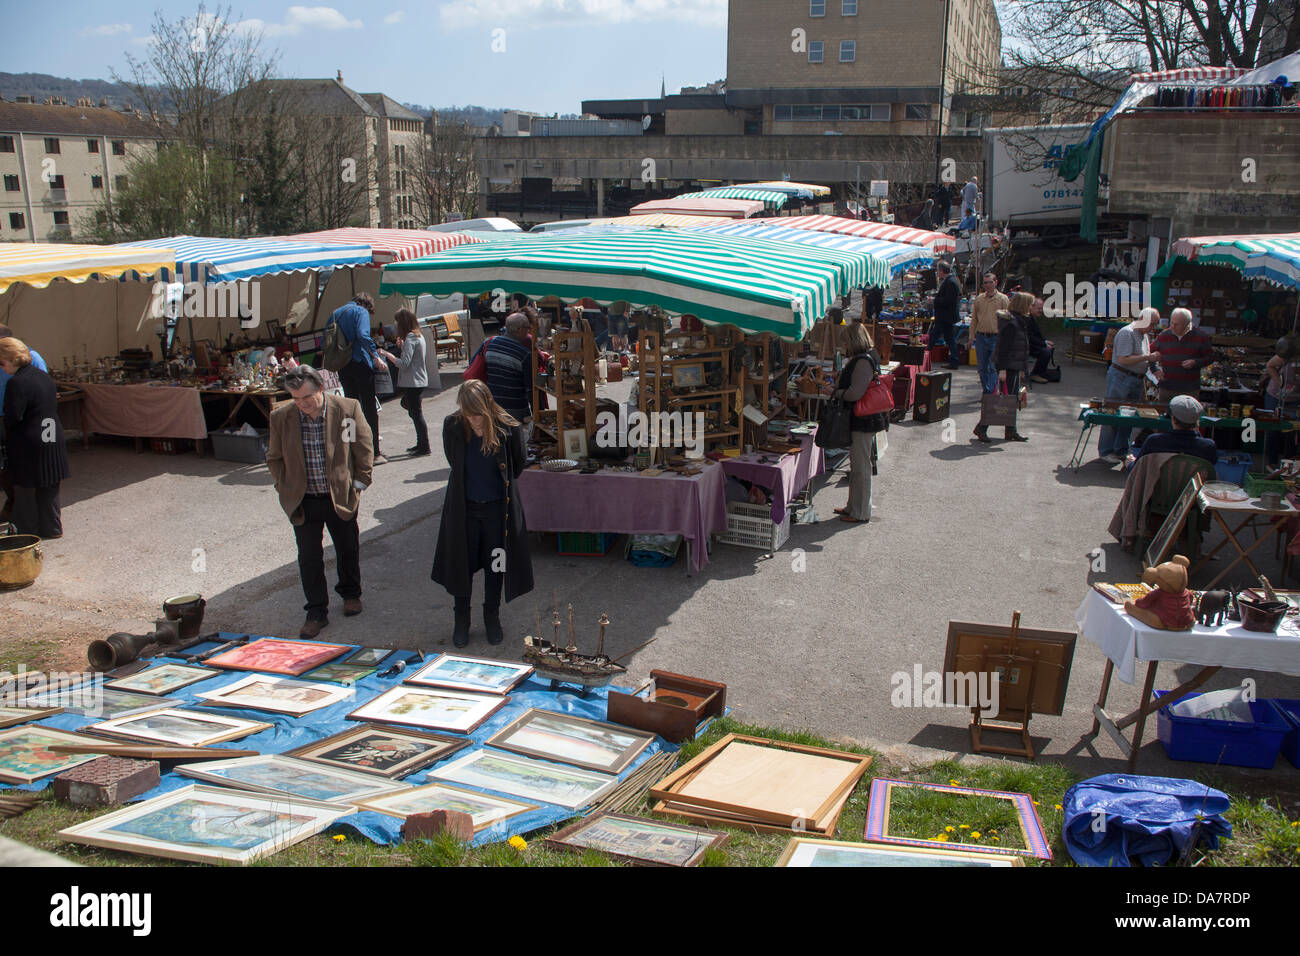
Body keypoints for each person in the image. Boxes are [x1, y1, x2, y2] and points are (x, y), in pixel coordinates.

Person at [266, 364, 374, 639]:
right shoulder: (282, 417)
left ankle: (351, 594)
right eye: (295, 398)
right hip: (303, 500)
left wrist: (360, 483)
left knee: (347, 547)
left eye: (307, 397)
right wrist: (283, 488)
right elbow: (274, 458)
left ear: (320, 389)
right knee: (309, 557)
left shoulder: (346, 410)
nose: (302, 404)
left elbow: (362, 447)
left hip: (339, 496)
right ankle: (316, 611)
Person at [431, 379, 534, 647]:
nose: (474, 419)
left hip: (497, 512)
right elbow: (453, 462)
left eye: (478, 414)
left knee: (495, 565)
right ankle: (461, 620)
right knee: (460, 567)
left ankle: (492, 616)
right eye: (468, 413)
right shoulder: (452, 426)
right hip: (464, 511)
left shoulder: (508, 428)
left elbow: (517, 466)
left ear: (488, 407)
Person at [0, 337, 68, 538]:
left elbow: (13, 417)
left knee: (24, 491)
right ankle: (52, 528)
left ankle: (26, 534)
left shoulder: (17, 383)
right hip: (52, 436)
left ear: (11, 359)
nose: (2, 369)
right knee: (49, 488)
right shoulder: (43, 376)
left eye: (1, 363)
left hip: (30, 442)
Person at [827, 323, 887, 524]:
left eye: (846, 342)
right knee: (858, 465)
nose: (844, 346)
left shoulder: (863, 361)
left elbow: (855, 393)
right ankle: (853, 506)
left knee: (861, 467)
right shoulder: (866, 357)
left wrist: (835, 392)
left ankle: (860, 511)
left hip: (863, 420)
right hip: (862, 419)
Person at [328, 293, 388, 465]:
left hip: (343, 365)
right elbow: (363, 335)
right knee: (369, 408)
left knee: (349, 409)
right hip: (360, 363)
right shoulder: (360, 312)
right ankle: (375, 452)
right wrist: (375, 355)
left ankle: (351, 451)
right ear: (365, 304)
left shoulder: (336, 313)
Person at [1098, 307, 1162, 465]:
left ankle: (1121, 449)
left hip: (1135, 379)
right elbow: (1124, 359)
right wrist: (1149, 357)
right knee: (1113, 413)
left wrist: (1154, 368)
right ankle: (1106, 451)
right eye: (1152, 324)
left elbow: (1145, 358)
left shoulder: (1144, 335)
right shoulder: (1127, 332)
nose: (1153, 328)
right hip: (1121, 377)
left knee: (1129, 415)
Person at [0, 324, 47, 524]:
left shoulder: (32, 357)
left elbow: (43, 385)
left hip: (23, 418)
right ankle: (14, 503)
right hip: (3, 417)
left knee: (23, 464)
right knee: (4, 467)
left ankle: (21, 507)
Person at [976, 291, 1033, 444]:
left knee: (1010, 399)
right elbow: (1003, 348)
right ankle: (982, 427)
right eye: (1030, 304)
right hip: (1007, 367)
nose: (1031, 307)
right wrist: (1002, 369)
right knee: (1002, 400)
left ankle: (1010, 430)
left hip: (1013, 366)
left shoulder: (1017, 320)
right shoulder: (1012, 323)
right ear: (1023, 305)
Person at [378, 309, 430, 456]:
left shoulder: (411, 338)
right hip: (418, 380)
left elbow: (404, 364)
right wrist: (402, 347)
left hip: (414, 381)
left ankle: (424, 445)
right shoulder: (417, 336)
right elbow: (412, 358)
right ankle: (421, 444)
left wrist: (387, 354)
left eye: (397, 322)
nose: (396, 325)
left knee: (416, 413)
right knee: (412, 409)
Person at [1127, 395, 1217, 467]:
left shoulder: (1155, 441)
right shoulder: (1208, 446)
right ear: (1197, 421)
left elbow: (1138, 470)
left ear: (1173, 419)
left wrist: (1130, 463)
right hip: (1193, 489)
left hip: (1159, 488)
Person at [483, 312, 534, 425]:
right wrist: (536, 414)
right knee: (517, 441)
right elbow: (531, 388)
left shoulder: (490, 344)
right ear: (520, 330)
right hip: (515, 409)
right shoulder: (524, 354)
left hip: (493, 405)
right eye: (527, 328)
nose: (528, 331)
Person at [1154, 307, 1212, 402]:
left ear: (1187, 324)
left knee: (1188, 415)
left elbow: (1210, 357)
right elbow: (1150, 353)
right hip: (1167, 388)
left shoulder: (1201, 337)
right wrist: (1154, 369)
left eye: (1177, 324)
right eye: (1171, 323)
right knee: (1163, 413)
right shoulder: (1164, 335)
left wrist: (1195, 362)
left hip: (1189, 390)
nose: (1172, 326)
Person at [1263, 338, 1300, 467]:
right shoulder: (1287, 354)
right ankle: (1271, 463)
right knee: (1274, 430)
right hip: (1275, 395)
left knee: (1292, 431)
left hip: (1295, 398)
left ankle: (1289, 465)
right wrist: (1280, 383)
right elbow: (1270, 365)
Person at [969, 273, 1008, 394]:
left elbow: (1007, 320)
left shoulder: (1003, 299)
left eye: (990, 282)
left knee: (992, 367)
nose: (987, 285)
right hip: (981, 336)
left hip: (996, 337)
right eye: (985, 283)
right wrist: (971, 337)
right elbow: (974, 319)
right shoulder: (979, 299)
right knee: (981, 368)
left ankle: (990, 393)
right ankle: (986, 390)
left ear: (995, 282)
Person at [929, 260, 962, 370]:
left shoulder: (951, 282)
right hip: (945, 317)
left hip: (945, 317)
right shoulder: (949, 281)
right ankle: (954, 361)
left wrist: (935, 300)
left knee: (934, 337)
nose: (937, 272)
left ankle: (923, 357)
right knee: (949, 339)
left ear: (942, 271)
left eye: (938, 270)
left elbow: (949, 300)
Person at [1026, 297, 1056, 382]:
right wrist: (1044, 344)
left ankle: (1040, 372)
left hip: (1031, 343)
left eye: (1041, 309)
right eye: (1039, 308)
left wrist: (1045, 341)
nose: (1041, 311)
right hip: (1027, 345)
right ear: (1031, 307)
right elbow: (1030, 337)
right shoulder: (1028, 319)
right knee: (1045, 352)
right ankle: (1036, 374)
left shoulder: (1033, 318)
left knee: (1049, 349)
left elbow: (1037, 334)